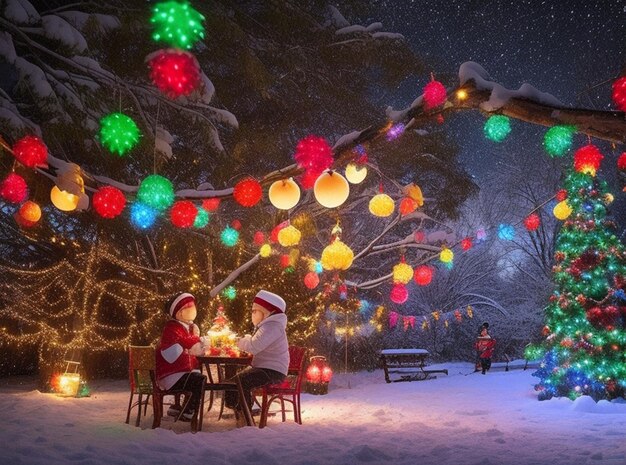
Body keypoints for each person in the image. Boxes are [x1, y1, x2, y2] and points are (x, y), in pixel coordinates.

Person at [226, 289, 289, 427]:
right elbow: (255, 342)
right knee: (233, 382)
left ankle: (246, 417)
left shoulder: (273, 326)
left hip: (273, 370)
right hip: (265, 367)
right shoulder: (267, 326)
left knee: (242, 381)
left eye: (255, 311)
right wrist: (248, 339)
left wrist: (239, 341)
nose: (252, 315)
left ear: (266, 311)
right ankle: (241, 409)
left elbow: (254, 346)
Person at [155, 292, 207, 426]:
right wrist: (187, 341)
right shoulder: (171, 329)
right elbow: (169, 356)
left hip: (182, 372)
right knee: (199, 380)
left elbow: (193, 351)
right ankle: (188, 412)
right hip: (171, 374)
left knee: (198, 376)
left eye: (193, 305)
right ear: (179, 313)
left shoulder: (188, 328)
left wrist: (202, 346)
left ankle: (183, 408)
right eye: (188, 306)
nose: (193, 309)